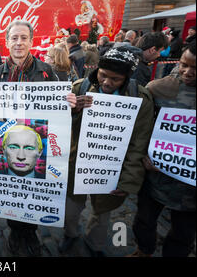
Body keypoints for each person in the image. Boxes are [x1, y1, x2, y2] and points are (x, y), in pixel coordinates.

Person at [0, 20, 77, 257]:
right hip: (7, 143)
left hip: (34, 144)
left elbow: (60, 112)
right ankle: (15, 232)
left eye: (23, 38)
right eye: (14, 38)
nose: (19, 43)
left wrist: (69, 103)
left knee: (33, 189)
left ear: (31, 41)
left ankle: (30, 233)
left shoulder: (47, 71)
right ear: (6, 41)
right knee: (11, 192)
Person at [59, 46, 154, 257]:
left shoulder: (140, 98)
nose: (107, 82)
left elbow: (139, 143)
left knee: (102, 215)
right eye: (103, 75)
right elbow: (57, 127)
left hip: (112, 170)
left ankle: (95, 245)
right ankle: (71, 234)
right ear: (97, 70)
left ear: (127, 77)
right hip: (77, 165)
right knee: (70, 211)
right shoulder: (79, 88)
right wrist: (73, 109)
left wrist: (128, 180)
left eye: (116, 79)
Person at [129, 40, 196, 257]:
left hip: (190, 190)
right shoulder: (159, 88)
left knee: (184, 234)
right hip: (155, 178)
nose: (187, 72)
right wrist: (146, 153)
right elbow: (141, 127)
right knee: (144, 220)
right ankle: (143, 250)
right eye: (184, 64)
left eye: (196, 68)